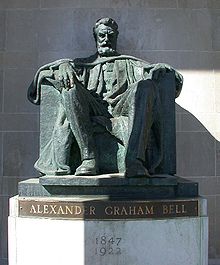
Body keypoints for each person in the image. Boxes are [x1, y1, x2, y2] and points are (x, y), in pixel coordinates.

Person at [28, 17, 183, 178]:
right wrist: (62, 65)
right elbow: (39, 77)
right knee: (69, 90)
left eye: (110, 35)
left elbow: (169, 77)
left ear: (116, 37)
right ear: (95, 38)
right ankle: (89, 158)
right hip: (93, 106)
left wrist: (163, 68)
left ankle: (134, 160)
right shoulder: (82, 64)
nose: (106, 40)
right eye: (102, 35)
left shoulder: (130, 63)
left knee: (146, 86)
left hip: (121, 106)